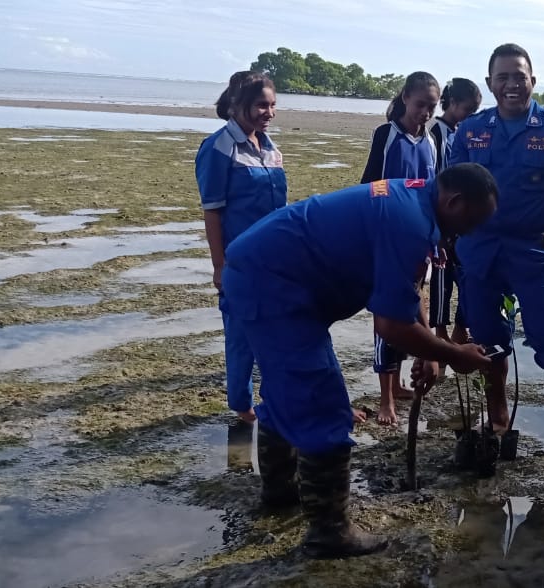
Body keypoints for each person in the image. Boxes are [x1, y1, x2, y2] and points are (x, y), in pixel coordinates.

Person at [220, 165, 498, 558]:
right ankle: (328, 533)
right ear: (454, 202)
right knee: (323, 407)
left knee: (288, 393)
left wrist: (428, 349)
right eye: (471, 222)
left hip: (267, 275)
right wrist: (454, 355)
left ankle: (281, 493)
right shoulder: (409, 222)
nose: (469, 233)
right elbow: (390, 326)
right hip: (274, 288)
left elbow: (408, 287)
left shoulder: (416, 199)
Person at [448, 43, 544, 461]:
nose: (512, 84)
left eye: (519, 76)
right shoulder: (470, 130)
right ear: (490, 82)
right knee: (489, 339)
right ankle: (497, 417)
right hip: (480, 250)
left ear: (533, 80)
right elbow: (450, 190)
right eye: (503, 77)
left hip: (536, 249)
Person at [195, 71, 287, 425]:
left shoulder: (271, 148)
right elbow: (213, 211)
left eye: (273, 105)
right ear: (237, 105)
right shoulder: (219, 148)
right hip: (240, 261)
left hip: (275, 260)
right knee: (241, 336)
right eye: (262, 105)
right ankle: (243, 408)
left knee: (275, 329)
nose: (269, 112)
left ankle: (276, 398)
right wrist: (219, 266)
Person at [359, 71, 442, 426]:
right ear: (405, 98)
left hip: (419, 239)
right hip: (387, 237)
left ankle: (398, 381)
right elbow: (369, 185)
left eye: (431, 107)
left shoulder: (434, 139)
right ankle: (386, 399)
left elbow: (438, 190)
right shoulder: (386, 135)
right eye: (420, 104)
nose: (424, 112)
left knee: (412, 307)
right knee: (387, 314)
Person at [426, 78, 484, 378]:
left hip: (462, 216)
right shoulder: (434, 132)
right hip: (443, 212)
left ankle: (461, 327)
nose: (471, 115)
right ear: (451, 103)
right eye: (467, 109)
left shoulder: (465, 133)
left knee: (465, 275)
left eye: (475, 110)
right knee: (440, 277)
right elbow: (437, 175)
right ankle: (439, 330)